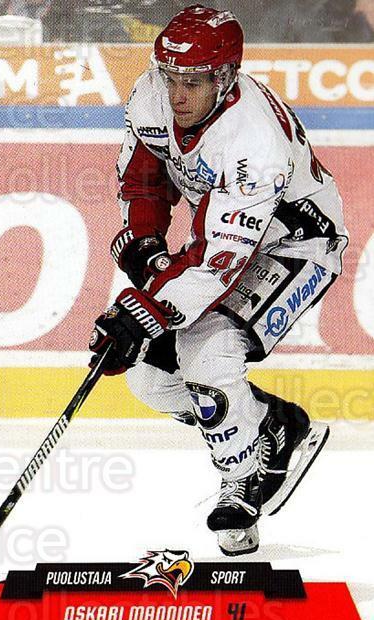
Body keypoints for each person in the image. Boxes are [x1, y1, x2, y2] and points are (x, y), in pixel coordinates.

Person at [88, 5, 348, 556]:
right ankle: (272, 427)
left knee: (206, 351)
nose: (177, 95)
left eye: (194, 82)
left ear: (225, 77)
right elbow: (144, 181)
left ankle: (243, 478)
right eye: (171, 77)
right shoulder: (151, 96)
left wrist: (146, 309)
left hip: (297, 244)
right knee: (149, 380)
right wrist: (148, 246)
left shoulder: (254, 141)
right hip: (227, 240)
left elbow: (215, 263)